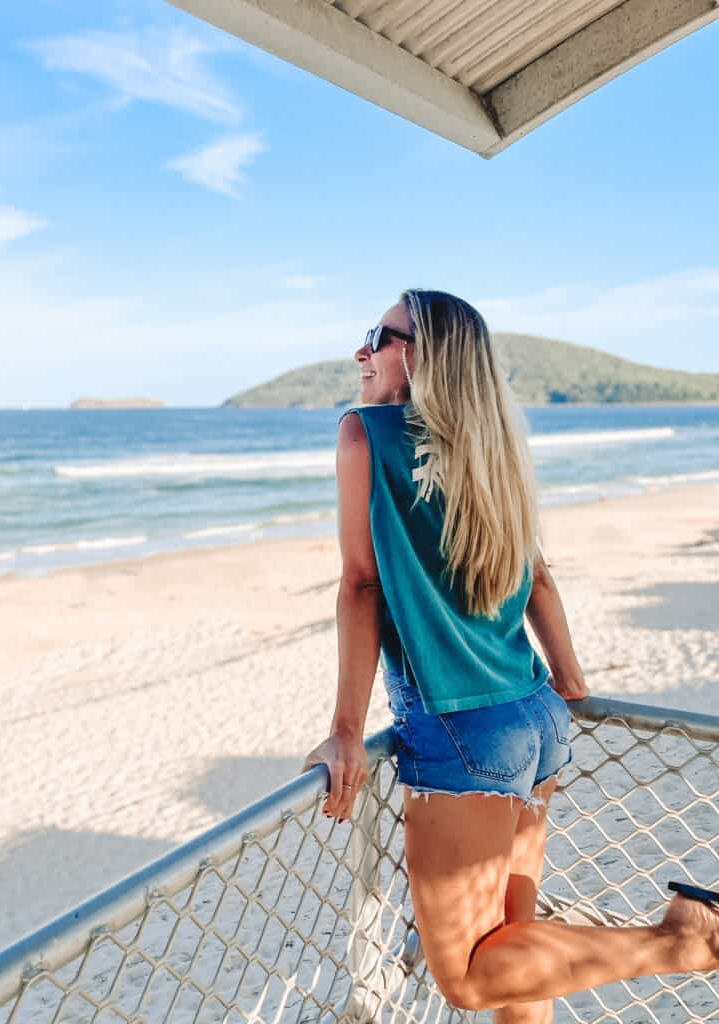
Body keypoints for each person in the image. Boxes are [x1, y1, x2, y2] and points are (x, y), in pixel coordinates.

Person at [301, 289, 719, 1021]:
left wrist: (345, 728)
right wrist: (570, 679)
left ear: (424, 354)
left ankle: (683, 942)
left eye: (379, 336)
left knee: (467, 976)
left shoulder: (364, 433)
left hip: (462, 731)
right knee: (514, 950)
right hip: (535, 715)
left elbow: (362, 585)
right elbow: (539, 574)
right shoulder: (492, 444)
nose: (360, 352)